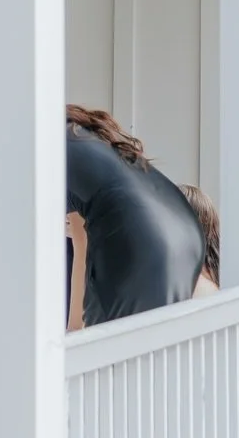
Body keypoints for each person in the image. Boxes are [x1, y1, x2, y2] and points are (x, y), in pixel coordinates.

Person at [65, 105, 206, 327]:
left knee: (106, 348)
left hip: (140, 238)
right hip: (187, 234)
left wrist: (73, 332)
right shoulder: (93, 144)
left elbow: (80, 241)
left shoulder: (50, 148)